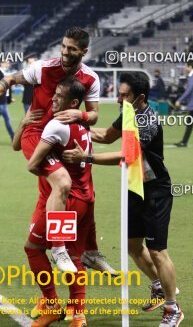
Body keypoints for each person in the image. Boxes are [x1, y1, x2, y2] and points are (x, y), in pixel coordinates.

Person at [62, 72, 183, 327]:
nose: (119, 98)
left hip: (155, 191)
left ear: (139, 97)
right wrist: (74, 125)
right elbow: (106, 135)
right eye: (119, 92)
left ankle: (173, 309)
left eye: (124, 94)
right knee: (132, 246)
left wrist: (86, 158)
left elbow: (127, 156)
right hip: (135, 188)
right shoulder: (127, 113)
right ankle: (159, 287)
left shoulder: (147, 121)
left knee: (158, 251)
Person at [0, 27, 101, 272]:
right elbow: (10, 79)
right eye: (64, 46)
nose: (66, 52)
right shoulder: (44, 68)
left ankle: (87, 255)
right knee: (64, 183)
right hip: (37, 136)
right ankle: (59, 249)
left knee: (82, 194)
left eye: (72, 49)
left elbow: (94, 115)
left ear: (84, 51)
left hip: (64, 139)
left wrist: (80, 114)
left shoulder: (91, 78)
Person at [23, 78, 96, 327]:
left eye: (58, 95)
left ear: (72, 103)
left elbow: (32, 165)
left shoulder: (56, 125)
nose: (53, 99)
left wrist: (43, 161)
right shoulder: (83, 125)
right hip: (86, 197)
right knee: (76, 256)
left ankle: (52, 304)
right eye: (52, 94)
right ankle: (77, 313)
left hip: (66, 200)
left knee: (34, 247)